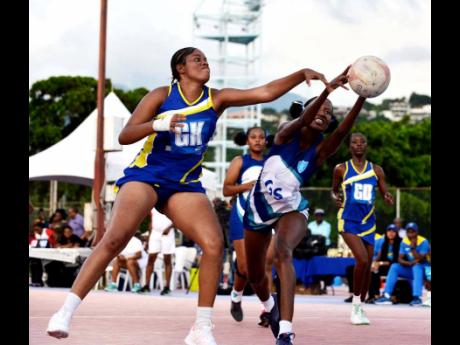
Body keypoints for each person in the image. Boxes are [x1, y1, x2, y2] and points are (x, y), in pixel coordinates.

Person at [47, 46, 330, 344]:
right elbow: (125, 134)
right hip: (148, 175)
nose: (204, 62)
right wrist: (159, 124)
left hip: (184, 184)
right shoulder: (161, 95)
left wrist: (301, 75)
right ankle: (66, 311)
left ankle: (201, 327)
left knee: (212, 244)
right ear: (180, 68)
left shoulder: (216, 98)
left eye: (205, 59)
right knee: (117, 237)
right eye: (197, 59)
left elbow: (265, 92)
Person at [243, 65, 364, 345]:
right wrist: (327, 91)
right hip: (259, 207)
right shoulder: (286, 132)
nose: (324, 114)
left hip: (292, 208)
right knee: (254, 274)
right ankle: (270, 306)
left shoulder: (320, 150)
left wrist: (362, 96)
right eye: (320, 110)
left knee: (283, 252)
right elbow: (302, 120)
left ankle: (285, 330)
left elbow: (342, 132)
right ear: (307, 111)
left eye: (329, 114)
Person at [332, 132, 393, 325]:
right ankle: (356, 307)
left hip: (368, 222)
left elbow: (385, 192)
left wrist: (388, 197)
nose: (358, 145)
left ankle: (359, 304)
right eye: (354, 142)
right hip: (348, 220)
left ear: (366, 146)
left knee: (367, 266)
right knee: (362, 259)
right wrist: (337, 198)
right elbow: (334, 191)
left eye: (362, 142)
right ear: (349, 146)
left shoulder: (376, 170)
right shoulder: (341, 169)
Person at [222, 127, 267, 323]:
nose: (257, 140)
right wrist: (246, 186)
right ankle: (236, 296)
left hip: (265, 217)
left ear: (266, 141)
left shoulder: (271, 163)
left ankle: (267, 310)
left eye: (261, 137)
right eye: (253, 137)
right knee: (245, 267)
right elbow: (226, 190)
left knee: (266, 265)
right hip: (241, 215)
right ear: (247, 141)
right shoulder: (240, 161)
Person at [375, 222, 430, 306]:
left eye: (413, 232)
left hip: (424, 270)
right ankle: (386, 295)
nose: (410, 234)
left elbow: (420, 259)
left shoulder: (423, 242)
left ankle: (417, 297)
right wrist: (410, 263)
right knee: (395, 266)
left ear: (417, 232)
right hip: (411, 268)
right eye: (408, 232)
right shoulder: (404, 242)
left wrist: (413, 248)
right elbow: (399, 259)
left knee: (417, 266)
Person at [140, 207, 176, 295]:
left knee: (167, 259)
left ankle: (167, 287)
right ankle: (146, 286)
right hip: (155, 233)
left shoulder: (171, 205)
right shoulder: (153, 206)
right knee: (151, 259)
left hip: (167, 233)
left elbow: (177, 219)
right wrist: (149, 237)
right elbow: (151, 221)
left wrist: (169, 228)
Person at [367, 224, 401, 302]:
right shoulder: (384, 242)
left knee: (392, 267)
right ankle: (374, 295)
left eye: (393, 231)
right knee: (374, 271)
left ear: (396, 233)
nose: (391, 233)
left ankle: (390, 295)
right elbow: (379, 256)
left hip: (395, 266)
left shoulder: (400, 243)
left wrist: (380, 263)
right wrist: (375, 263)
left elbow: (396, 260)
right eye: (389, 231)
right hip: (385, 266)